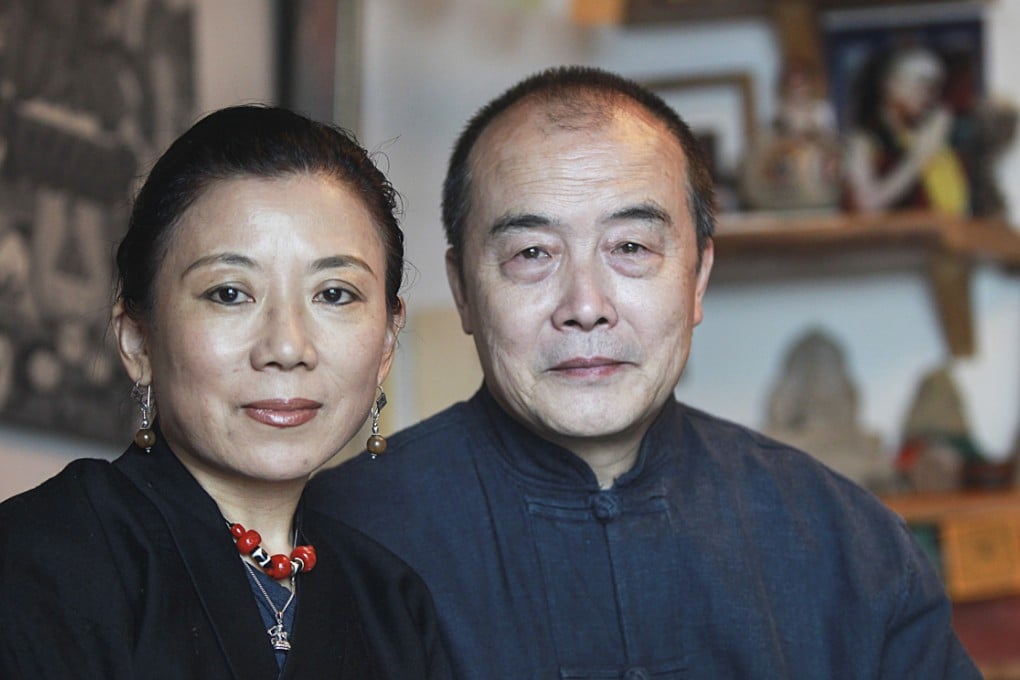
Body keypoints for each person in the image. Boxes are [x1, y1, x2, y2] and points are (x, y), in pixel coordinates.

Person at [306, 66, 979, 678]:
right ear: (463, 291)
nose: (586, 307)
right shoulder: (337, 543)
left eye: (631, 247)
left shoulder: (845, 542)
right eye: (532, 253)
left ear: (697, 279)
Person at [0, 105, 449, 679]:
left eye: (335, 294)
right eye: (230, 293)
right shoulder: (49, 558)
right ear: (137, 340)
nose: (287, 347)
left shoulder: (393, 606)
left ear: (387, 341)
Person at [843, 45, 970, 215]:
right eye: (923, 84)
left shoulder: (927, 132)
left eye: (937, 88)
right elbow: (866, 208)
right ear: (891, 84)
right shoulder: (865, 140)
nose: (931, 95)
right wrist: (921, 155)